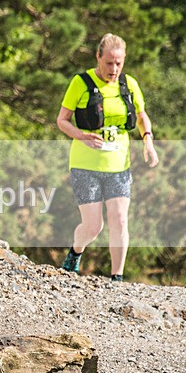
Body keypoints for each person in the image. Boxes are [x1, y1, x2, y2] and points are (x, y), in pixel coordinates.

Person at [56, 33, 159, 281]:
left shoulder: (129, 84)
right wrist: (82, 136)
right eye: (109, 62)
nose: (114, 69)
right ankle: (75, 252)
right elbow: (62, 121)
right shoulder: (80, 82)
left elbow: (141, 114)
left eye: (119, 63)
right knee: (93, 226)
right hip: (85, 164)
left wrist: (148, 141)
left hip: (119, 164)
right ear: (98, 57)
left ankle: (117, 278)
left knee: (120, 220)